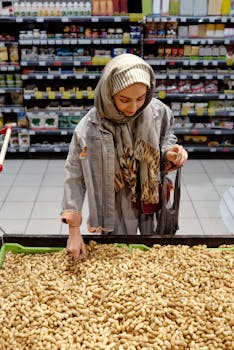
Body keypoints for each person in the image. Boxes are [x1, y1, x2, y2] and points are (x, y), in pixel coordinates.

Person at [61, 53, 188, 260]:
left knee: (155, 250)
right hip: (115, 198)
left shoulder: (156, 111)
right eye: (124, 100)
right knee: (118, 252)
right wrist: (74, 230)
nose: (133, 107)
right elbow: (75, 173)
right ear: (109, 93)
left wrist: (171, 152)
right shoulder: (92, 126)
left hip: (150, 193)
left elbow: (166, 137)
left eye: (140, 98)